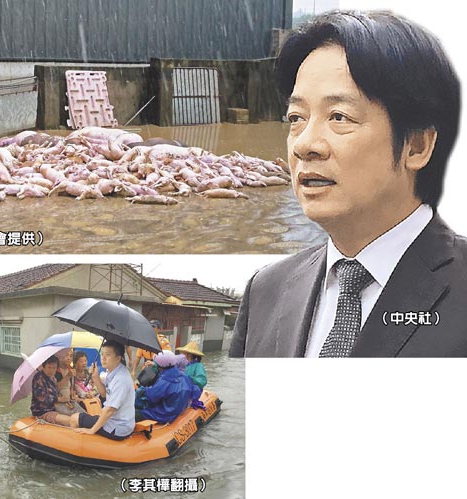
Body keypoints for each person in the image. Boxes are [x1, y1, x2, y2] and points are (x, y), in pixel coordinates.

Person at [229, 10, 467, 357]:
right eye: (296, 118)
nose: (304, 145)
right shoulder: (266, 289)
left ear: (417, 146)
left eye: (339, 117)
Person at [71, 340, 135, 440]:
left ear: (118, 358)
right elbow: (105, 394)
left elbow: (110, 410)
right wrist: (95, 377)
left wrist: (92, 430)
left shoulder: (121, 379)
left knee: (74, 418)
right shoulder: (114, 371)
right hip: (117, 421)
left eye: (108, 355)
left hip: (117, 427)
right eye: (102, 354)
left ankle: (76, 450)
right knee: (90, 415)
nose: (103, 358)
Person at [136, 353, 201, 424]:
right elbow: (196, 392)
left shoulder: (164, 380)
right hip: (177, 410)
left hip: (163, 414)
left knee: (134, 413)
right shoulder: (184, 376)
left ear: (160, 366)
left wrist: (142, 390)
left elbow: (152, 398)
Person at [30, 356, 74, 425]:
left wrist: (65, 400)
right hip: (42, 412)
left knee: (76, 415)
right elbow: (42, 398)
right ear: (43, 367)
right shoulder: (38, 378)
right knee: (70, 421)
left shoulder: (53, 378)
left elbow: (56, 392)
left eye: (54, 368)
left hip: (55, 408)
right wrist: (59, 399)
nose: (51, 370)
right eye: (49, 367)